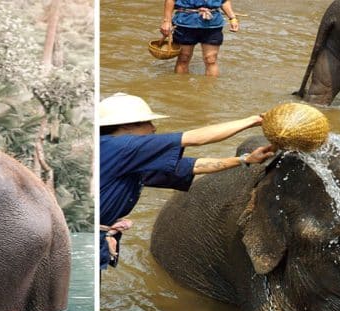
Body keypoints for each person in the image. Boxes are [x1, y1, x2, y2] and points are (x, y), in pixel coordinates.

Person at [99, 92, 274, 271]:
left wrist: (245, 159)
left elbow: (193, 166)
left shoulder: (125, 157)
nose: (153, 128)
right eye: (148, 123)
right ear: (128, 125)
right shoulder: (122, 147)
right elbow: (196, 138)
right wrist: (253, 120)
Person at [161, 0, 239, 76]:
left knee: (211, 59)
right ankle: (181, 87)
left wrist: (232, 18)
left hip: (212, 24)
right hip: (185, 22)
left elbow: (224, 1)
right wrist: (167, 21)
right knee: (183, 58)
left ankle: (210, 88)